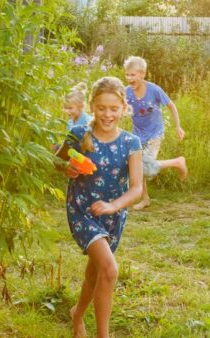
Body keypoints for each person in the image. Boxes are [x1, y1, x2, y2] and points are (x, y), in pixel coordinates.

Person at [55, 76, 143, 338]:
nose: (108, 114)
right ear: (92, 106)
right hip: (82, 210)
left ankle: (77, 314)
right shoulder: (80, 134)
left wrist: (113, 206)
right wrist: (67, 168)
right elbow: (58, 159)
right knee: (110, 269)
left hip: (113, 216)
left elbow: (137, 188)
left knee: (95, 274)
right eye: (102, 108)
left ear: (123, 109)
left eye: (114, 108)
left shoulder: (131, 143)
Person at [123, 56, 187, 210]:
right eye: (127, 75)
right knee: (137, 166)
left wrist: (178, 126)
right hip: (137, 134)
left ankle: (178, 162)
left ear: (142, 74)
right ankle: (145, 199)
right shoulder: (126, 92)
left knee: (145, 166)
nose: (129, 78)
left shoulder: (154, 90)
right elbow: (118, 107)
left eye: (133, 75)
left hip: (154, 134)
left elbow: (171, 106)